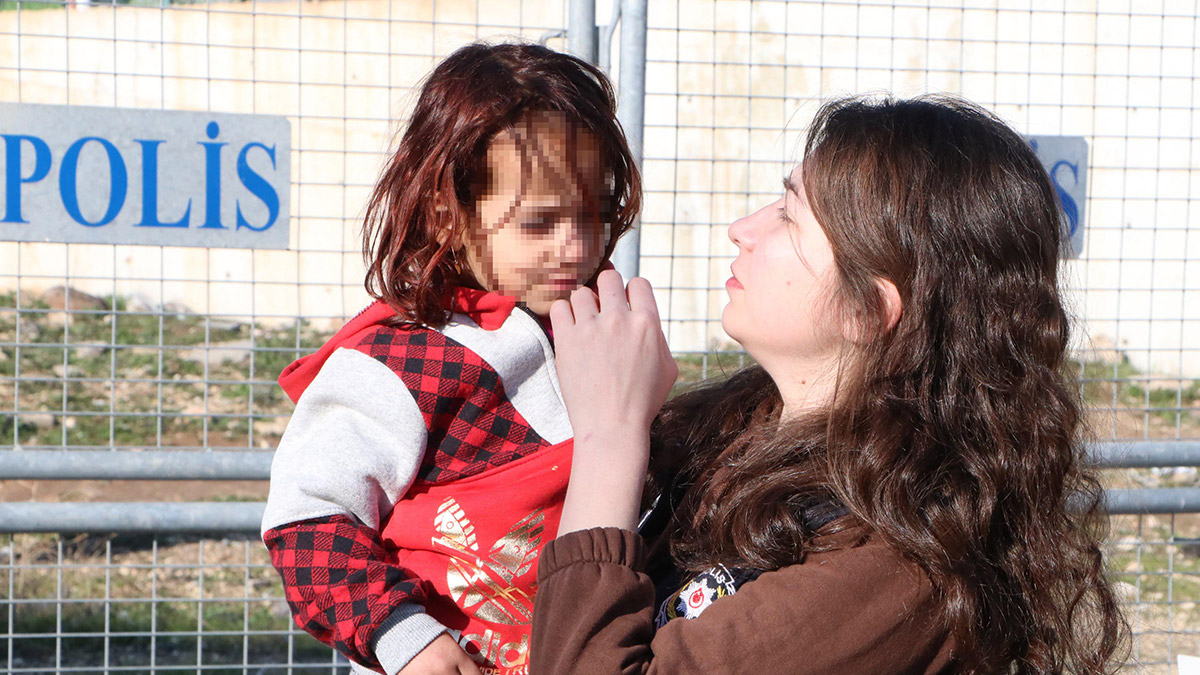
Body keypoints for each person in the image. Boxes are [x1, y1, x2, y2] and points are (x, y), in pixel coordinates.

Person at [532, 95, 1129, 674]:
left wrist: (610, 437)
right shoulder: (732, 429)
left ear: (868, 310)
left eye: (789, 217)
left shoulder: (897, 572)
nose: (742, 228)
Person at [260, 42, 640, 675]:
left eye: (594, 214)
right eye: (540, 224)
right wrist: (404, 639)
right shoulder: (398, 361)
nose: (578, 246)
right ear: (449, 216)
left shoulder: (601, 333)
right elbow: (309, 522)